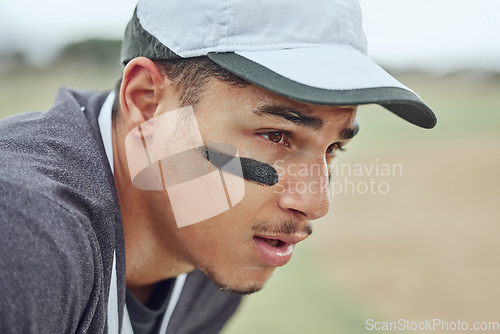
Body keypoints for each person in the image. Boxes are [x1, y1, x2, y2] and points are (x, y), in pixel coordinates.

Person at [0, 0, 437, 333]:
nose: (316, 203)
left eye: (332, 149)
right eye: (276, 136)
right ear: (147, 102)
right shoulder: (25, 233)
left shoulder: (212, 254)